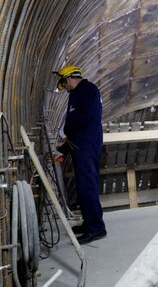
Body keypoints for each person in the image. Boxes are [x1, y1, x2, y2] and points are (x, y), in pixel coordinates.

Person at [53, 64, 107, 244]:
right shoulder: (81, 92)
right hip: (82, 145)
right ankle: (90, 221)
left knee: (87, 185)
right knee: (85, 185)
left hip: (86, 146)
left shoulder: (87, 90)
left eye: (64, 84)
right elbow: (78, 126)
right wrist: (63, 149)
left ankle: (96, 228)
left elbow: (81, 120)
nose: (65, 89)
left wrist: (65, 133)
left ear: (68, 79)